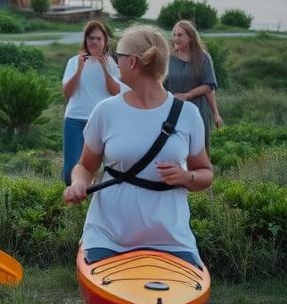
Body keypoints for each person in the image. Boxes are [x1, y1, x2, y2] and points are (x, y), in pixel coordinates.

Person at [63, 25, 213, 267]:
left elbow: (206, 174)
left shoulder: (187, 114)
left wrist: (187, 177)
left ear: (132, 62)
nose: (115, 61)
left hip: (171, 241)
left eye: (118, 57)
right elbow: (84, 166)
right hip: (108, 237)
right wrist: (79, 183)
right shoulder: (106, 111)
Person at [61, 21, 123, 186]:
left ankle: (94, 197)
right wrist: (80, 70)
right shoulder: (74, 61)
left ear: (105, 41)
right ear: (85, 40)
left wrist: (105, 69)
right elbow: (67, 93)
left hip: (103, 121)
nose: (94, 42)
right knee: (70, 170)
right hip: (75, 118)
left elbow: (116, 92)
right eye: (90, 38)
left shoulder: (112, 63)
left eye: (98, 38)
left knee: (107, 167)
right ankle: (75, 197)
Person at [165, 20, 223, 154]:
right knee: (174, 149)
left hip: (197, 110)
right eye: (174, 34)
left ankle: (199, 174)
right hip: (173, 110)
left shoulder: (203, 58)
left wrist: (216, 114)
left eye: (180, 35)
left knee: (198, 150)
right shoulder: (168, 58)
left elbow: (209, 87)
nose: (176, 38)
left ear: (190, 37)